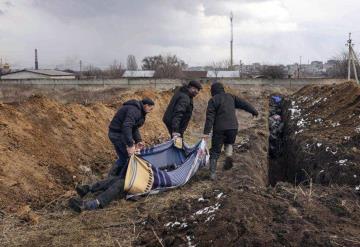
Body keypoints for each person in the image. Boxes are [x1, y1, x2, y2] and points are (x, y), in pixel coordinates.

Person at [203, 82, 258, 180]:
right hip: (233, 128)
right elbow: (244, 104)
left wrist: (206, 132)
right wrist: (253, 111)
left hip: (219, 128)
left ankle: (212, 173)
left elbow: (210, 117)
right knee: (229, 144)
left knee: (215, 150)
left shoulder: (213, 100)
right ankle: (228, 157)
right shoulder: (231, 97)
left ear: (213, 91)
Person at [107, 98, 155, 177]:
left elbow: (134, 127)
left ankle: (114, 177)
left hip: (115, 133)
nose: (151, 110)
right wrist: (130, 145)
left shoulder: (139, 111)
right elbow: (127, 126)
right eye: (151, 108)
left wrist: (138, 140)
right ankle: (119, 178)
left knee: (123, 157)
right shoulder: (134, 110)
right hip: (117, 134)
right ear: (146, 105)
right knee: (128, 157)